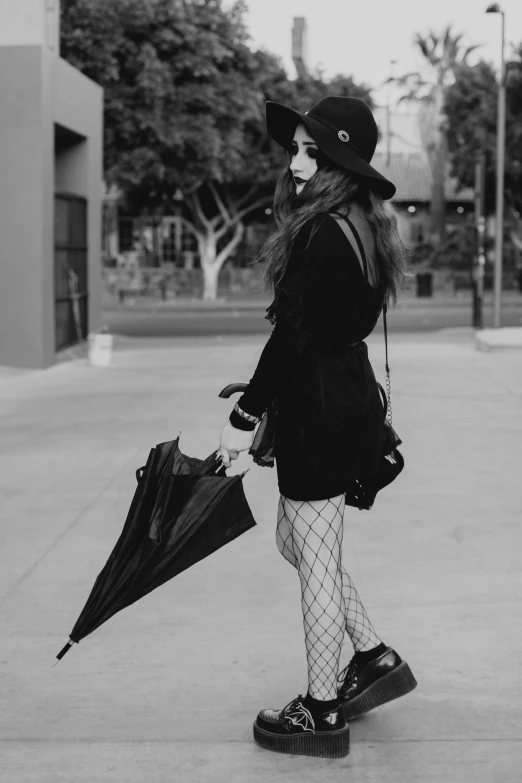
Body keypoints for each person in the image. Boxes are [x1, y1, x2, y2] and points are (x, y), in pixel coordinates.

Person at [218, 96, 416, 759]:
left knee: (315, 561)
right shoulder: (359, 225)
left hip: (318, 409)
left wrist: (245, 418)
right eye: (296, 148)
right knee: (298, 541)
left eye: (312, 151)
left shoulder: (323, 232)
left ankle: (322, 708)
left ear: (339, 162)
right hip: (342, 399)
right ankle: (374, 654)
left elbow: (293, 339)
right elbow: (317, 331)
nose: (295, 160)